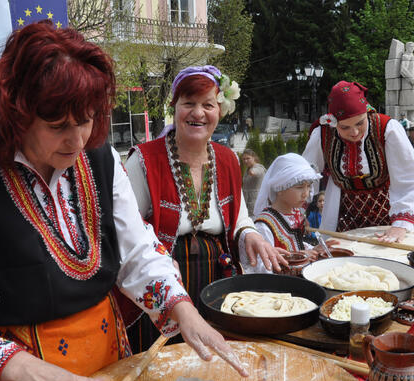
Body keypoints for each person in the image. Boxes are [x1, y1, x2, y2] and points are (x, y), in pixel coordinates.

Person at [0, 23, 248, 381]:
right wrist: (20, 370)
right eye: (57, 125)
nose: (76, 139)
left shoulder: (100, 159)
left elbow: (138, 250)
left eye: (87, 120)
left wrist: (182, 308)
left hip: (110, 364)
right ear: (16, 113)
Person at [125, 65, 284, 306]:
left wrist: (251, 235)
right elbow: (129, 229)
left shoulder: (227, 158)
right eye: (188, 103)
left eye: (208, 105)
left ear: (220, 111)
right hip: (164, 278)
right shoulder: (144, 159)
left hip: (218, 276)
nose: (198, 113)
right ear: (174, 107)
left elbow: (240, 218)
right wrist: (156, 263)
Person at [301, 81, 414, 242]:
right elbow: (305, 179)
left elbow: (410, 178)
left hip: (386, 221)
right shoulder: (322, 134)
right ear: (332, 122)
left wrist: (400, 224)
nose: (354, 132)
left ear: (367, 112)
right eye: (344, 127)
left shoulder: (387, 129)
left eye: (360, 123)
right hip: (341, 218)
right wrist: (297, 212)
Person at [249, 154, 326, 271]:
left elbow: (295, 243)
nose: (306, 193)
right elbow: (262, 266)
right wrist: (301, 256)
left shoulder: (294, 212)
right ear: (280, 189)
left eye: (308, 186)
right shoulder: (264, 225)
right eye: (300, 187)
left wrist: (314, 249)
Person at [241, 148, 266, 217]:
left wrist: (252, 172)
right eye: (244, 159)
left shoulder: (259, 167)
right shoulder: (247, 169)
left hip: (255, 205)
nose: (245, 161)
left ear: (254, 158)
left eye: (248, 158)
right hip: (247, 203)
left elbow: (255, 172)